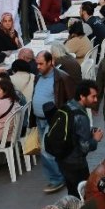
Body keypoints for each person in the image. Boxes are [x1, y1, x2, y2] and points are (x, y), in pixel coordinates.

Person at [33, 51, 73, 193]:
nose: (37, 66)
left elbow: (70, 100)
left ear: (50, 62)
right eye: (36, 63)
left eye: (41, 64)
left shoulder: (62, 77)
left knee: (46, 151)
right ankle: (57, 176)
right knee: (47, 150)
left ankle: (57, 179)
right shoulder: (38, 77)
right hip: (40, 120)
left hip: (53, 120)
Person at [56, 80, 103, 197]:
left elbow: (74, 130)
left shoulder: (68, 106)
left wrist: (89, 129)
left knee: (72, 192)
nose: (96, 100)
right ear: (82, 96)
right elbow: (85, 147)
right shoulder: (81, 116)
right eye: (93, 96)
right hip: (76, 163)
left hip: (63, 160)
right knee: (82, 194)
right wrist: (95, 139)